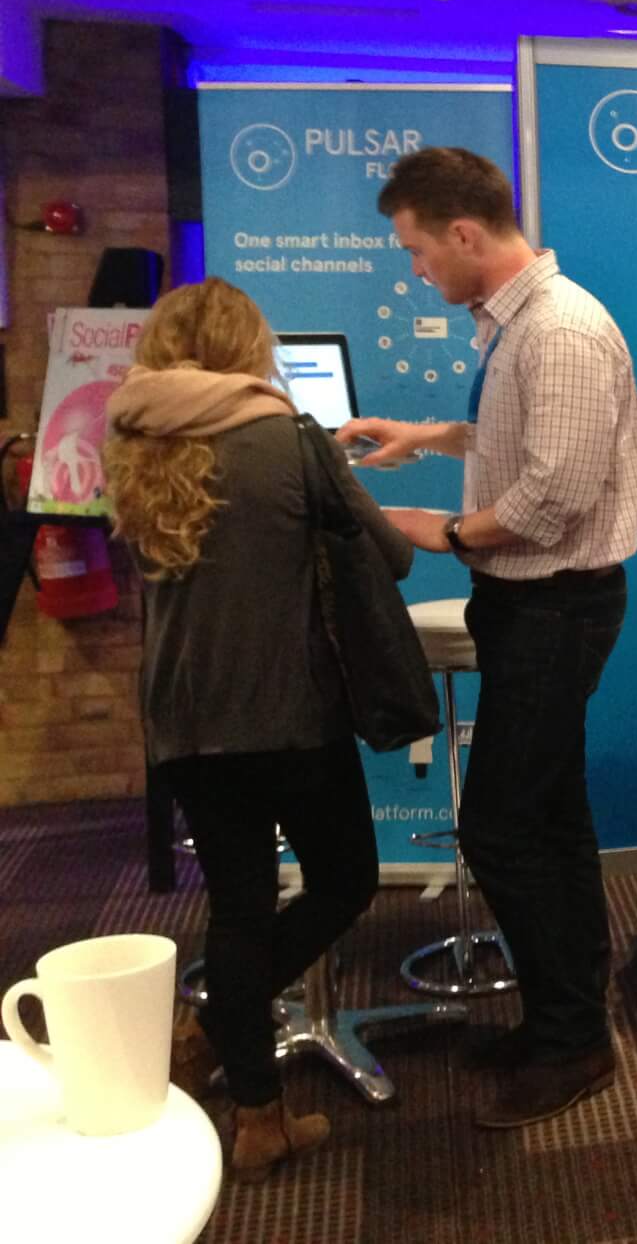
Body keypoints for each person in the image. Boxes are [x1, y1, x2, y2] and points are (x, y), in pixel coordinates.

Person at [340, 146, 637, 1130]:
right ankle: (565, 1020)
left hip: (555, 606)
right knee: (550, 819)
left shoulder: (560, 329)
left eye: (417, 250)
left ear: (464, 234)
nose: (415, 269)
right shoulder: (524, 327)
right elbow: (528, 440)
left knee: (504, 830)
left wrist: (442, 531)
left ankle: (573, 1040)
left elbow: (555, 493)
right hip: (534, 608)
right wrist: (425, 436)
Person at [103, 279, 390, 1178]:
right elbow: (387, 554)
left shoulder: (130, 439)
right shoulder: (289, 437)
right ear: (248, 349)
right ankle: (218, 1028)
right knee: (345, 880)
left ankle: (258, 1116)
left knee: (238, 908)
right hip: (290, 712)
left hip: (183, 717)